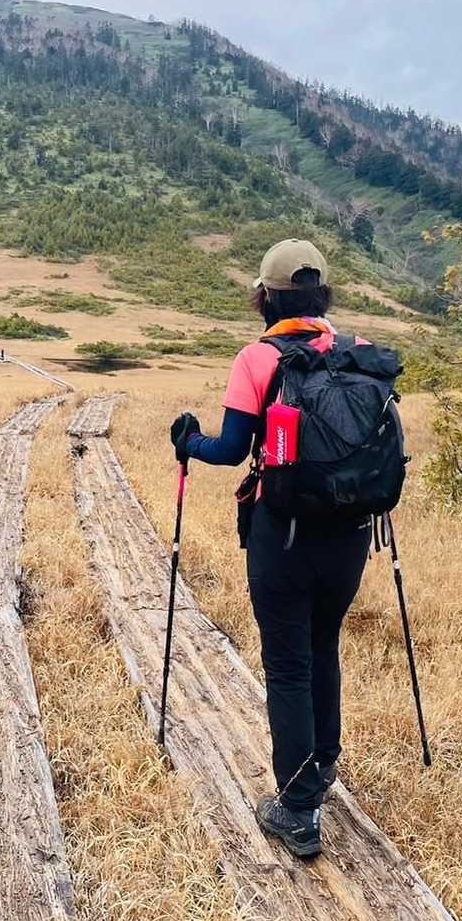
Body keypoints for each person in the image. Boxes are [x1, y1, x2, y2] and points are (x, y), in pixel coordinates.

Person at [170, 238, 372, 859]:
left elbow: (231, 450)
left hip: (282, 534)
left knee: (287, 664)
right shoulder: (358, 351)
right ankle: (323, 766)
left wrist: (189, 441)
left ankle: (298, 808)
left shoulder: (257, 358)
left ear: (266, 296)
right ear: (322, 295)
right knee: (323, 645)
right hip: (350, 533)